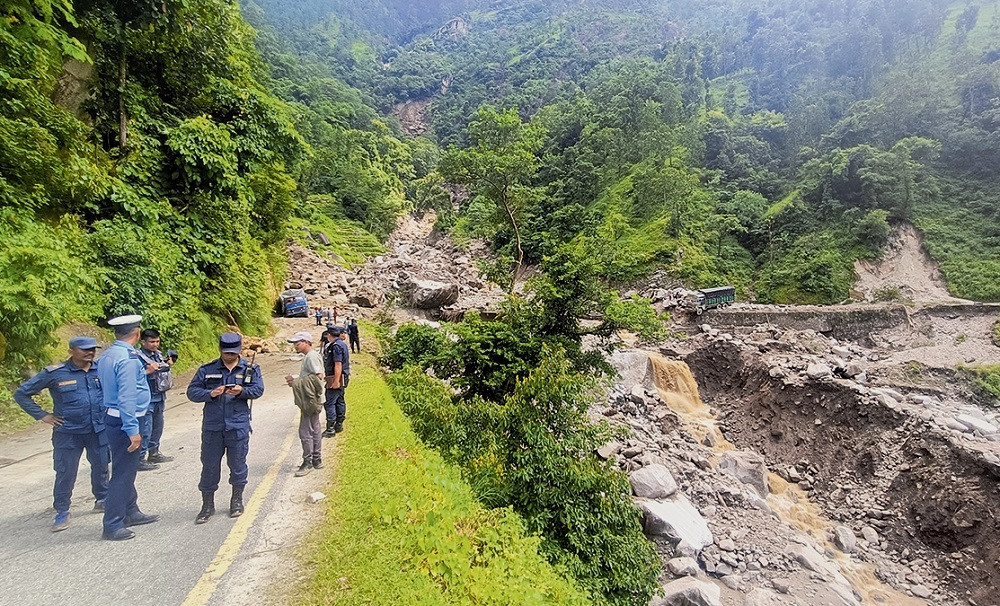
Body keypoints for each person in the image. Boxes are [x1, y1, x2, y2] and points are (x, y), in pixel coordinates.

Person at [14, 337, 109, 532]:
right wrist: (42, 415)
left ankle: (103, 499)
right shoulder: (56, 373)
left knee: (101, 466)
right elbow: (21, 394)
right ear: (71, 351)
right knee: (66, 472)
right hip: (68, 432)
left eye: (92, 349)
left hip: (97, 429)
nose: (89, 353)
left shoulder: (100, 369)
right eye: (84, 349)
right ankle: (62, 511)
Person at [187, 333, 264, 524]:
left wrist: (242, 392)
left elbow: (258, 390)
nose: (230, 357)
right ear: (220, 349)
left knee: (238, 465)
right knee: (209, 466)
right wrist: (210, 393)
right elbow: (192, 392)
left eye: (233, 353)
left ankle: (236, 500)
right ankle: (207, 505)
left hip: (237, 425)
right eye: (226, 353)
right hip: (213, 427)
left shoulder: (250, 368)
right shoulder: (207, 369)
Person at [98, 315, 159, 541]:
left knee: (127, 469)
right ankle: (113, 523)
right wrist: (132, 429)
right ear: (137, 333)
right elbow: (126, 397)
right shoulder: (128, 359)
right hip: (127, 420)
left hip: (114, 418)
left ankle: (130, 511)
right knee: (123, 473)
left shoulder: (108, 355)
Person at [286, 331, 324, 476]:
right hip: (313, 398)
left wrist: (295, 382)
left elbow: (318, 377)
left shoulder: (311, 357)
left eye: (298, 342)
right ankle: (316, 459)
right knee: (314, 428)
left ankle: (307, 462)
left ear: (307, 342)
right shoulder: (310, 356)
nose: (295, 345)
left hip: (311, 400)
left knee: (305, 431)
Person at [136, 328, 174, 469]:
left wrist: (168, 364)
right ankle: (140, 458)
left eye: (157, 341)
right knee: (146, 428)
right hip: (146, 397)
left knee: (158, 426)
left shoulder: (158, 355)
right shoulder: (137, 357)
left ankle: (154, 452)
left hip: (159, 395)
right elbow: (133, 377)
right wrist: (147, 371)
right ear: (143, 342)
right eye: (152, 342)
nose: (155, 344)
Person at [323, 326, 350, 437]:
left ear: (330, 335)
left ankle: (330, 428)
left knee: (330, 402)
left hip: (336, 377)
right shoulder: (342, 344)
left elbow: (337, 364)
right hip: (342, 376)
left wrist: (336, 381)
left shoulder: (336, 346)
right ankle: (339, 424)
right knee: (339, 400)